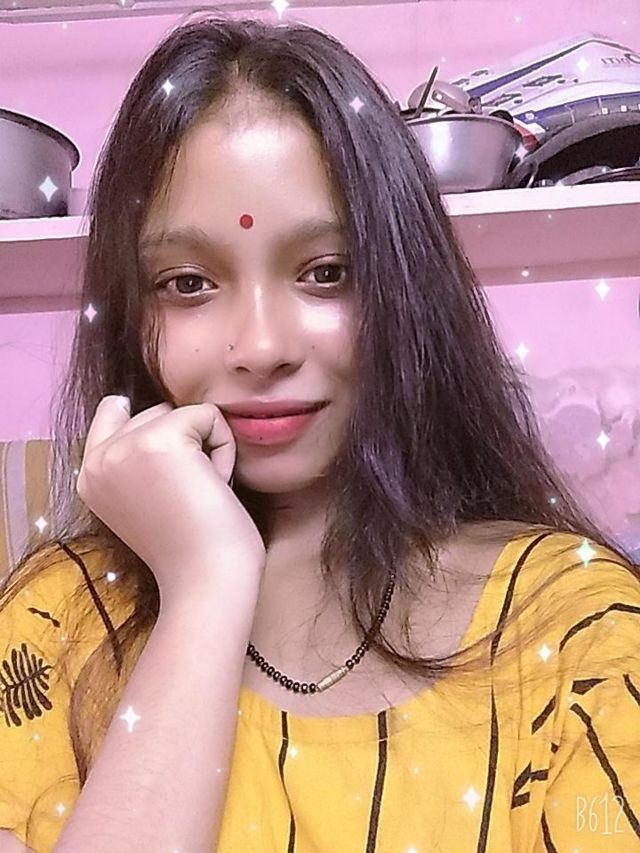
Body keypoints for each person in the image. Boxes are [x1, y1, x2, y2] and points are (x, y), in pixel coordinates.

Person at [0, 14, 638, 853]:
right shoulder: (57, 616)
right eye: (187, 283)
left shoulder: (576, 623)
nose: (262, 347)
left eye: (326, 272)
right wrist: (205, 583)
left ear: (405, 286)